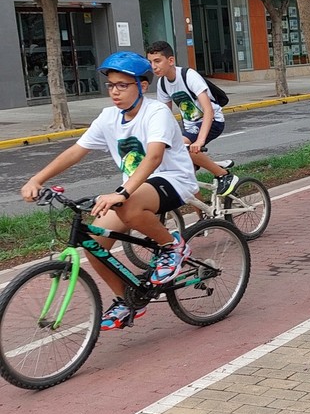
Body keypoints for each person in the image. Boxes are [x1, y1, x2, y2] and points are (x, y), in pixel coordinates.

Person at [20, 50, 198, 330]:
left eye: (122, 86)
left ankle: (173, 247)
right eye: (111, 86)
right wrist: (37, 179)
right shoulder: (108, 117)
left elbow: (153, 158)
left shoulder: (156, 112)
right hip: (136, 187)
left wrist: (122, 193)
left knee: (127, 206)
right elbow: (76, 152)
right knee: (94, 244)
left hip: (173, 179)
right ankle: (127, 300)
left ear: (142, 86)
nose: (115, 92)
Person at [146, 40, 238, 197]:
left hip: (213, 121)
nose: (153, 66)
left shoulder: (188, 76)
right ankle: (203, 216)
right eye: (150, 62)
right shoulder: (162, 84)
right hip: (191, 128)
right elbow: (164, 117)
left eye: (157, 61)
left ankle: (223, 174)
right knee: (186, 175)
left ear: (170, 60)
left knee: (182, 147)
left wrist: (200, 141)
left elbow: (208, 110)